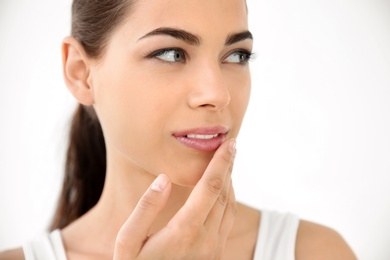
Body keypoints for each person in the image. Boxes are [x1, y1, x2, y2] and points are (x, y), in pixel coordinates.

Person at [0, 0, 357, 259]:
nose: (218, 94)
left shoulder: (316, 252)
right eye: (171, 53)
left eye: (236, 55)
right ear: (81, 72)